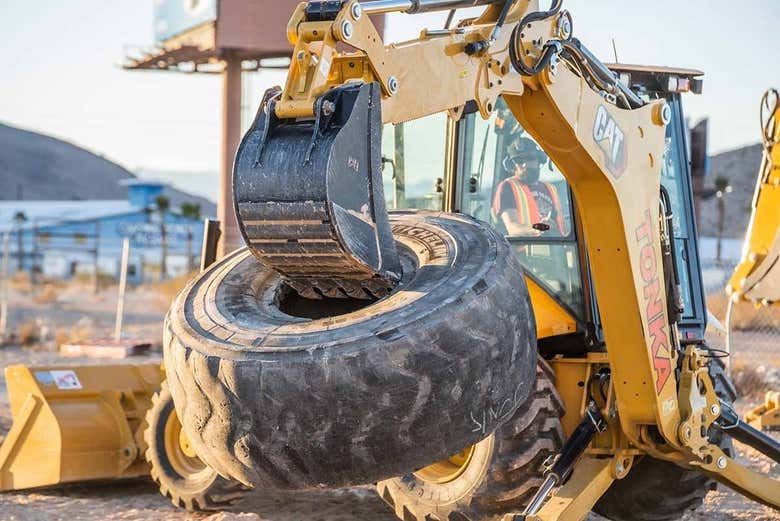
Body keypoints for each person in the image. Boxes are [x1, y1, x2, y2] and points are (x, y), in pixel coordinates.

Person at [492, 137, 567, 237]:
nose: (525, 164)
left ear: (539, 160)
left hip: (556, 248)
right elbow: (512, 227)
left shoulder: (551, 189)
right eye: (518, 160)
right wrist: (538, 229)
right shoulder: (507, 187)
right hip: (525, 251)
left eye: (530, 158)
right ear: (511, 165)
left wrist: (551, 227)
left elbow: (562, 226)